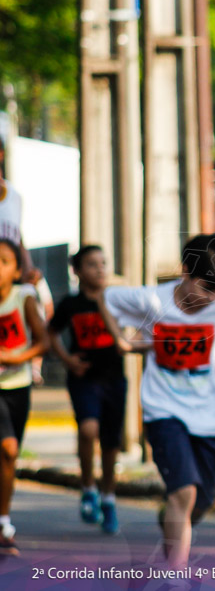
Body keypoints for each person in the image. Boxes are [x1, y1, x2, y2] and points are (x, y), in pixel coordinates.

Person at [103, 235, 215, 568]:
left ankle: (172, 518)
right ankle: (176, 575)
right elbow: (108, 298)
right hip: (163, 409)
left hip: (209, 413)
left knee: (201, 501)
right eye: (205, 287)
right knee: (185, 492)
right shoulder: (152, 301)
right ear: (185, 271)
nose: (211, 297)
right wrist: (124, 344)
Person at [48, 246, 127, 534]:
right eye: (92, 264)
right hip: (84, 379)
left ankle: (108, 499)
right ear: (78, 271)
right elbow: (51, 332)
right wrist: (67, 359)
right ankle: (88, 487)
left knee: (110, 444)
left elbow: (140, 324)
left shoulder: (116, 301)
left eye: (104, 263)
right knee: (88, 430)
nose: (100, 269)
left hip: (114, 379)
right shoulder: (71, 304)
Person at [0, 238, 49, 555]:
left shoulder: (24, 298)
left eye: (4, 261)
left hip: (18, 385)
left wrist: (17, 358)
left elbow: (43, 341)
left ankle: (2, 515)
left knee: (9, 456)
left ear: (17, 269)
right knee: (8, 448)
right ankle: (5, 526)